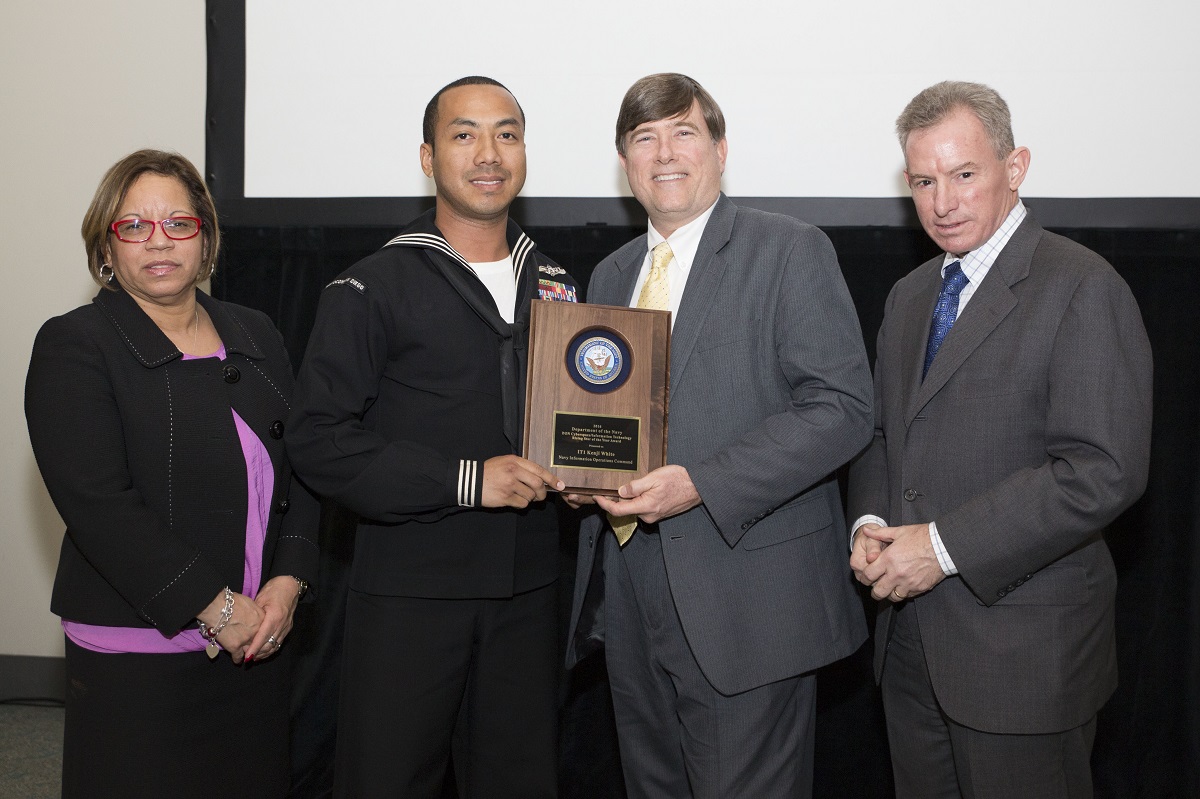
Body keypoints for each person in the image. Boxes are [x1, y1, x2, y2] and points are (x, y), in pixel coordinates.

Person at [564, 73, 874, 798]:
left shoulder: (789, 250)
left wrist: (700, 482)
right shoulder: (610, 275)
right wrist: (575, 467)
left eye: (684, 132)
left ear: (720, 149)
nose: (664, 152)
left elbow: (842, 407)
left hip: (746, 600)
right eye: (644, 137)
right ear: (625, 161)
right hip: (630, 596)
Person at [847, 81, 1153, 798]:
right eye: (923, 181)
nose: (942, 202)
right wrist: (869, 522)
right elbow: (882, 433)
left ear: (1014, 168)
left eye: (964, 174)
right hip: (911, 649)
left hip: (1024, 663)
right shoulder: (912, 292)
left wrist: (941, 547)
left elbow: (1101, 470)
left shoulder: (1083, 286)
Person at [285, 76, 579, 798]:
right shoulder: (370, 286)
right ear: (427, 157)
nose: (489, 153)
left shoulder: (560, 286)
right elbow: (319, 439)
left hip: (531, 594)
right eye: (464, 134)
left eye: (507, 134)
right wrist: (468, 480)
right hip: (411, 595)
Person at [25, 149, 319, 798]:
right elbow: (100, 507)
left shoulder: (257, 331)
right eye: (134, 226)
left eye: (178, 224)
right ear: (107, 245)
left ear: (206, 238)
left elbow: (302, 472)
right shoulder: (76, 344)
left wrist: (289, 583)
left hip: (258, 643)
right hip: (139, 655)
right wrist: (215, 608)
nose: (158, 241)